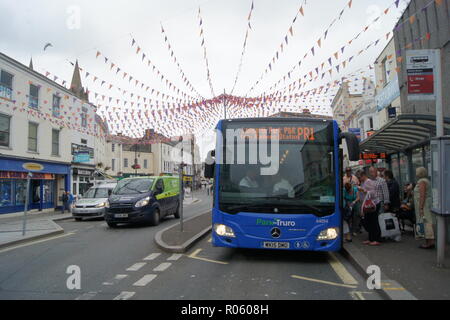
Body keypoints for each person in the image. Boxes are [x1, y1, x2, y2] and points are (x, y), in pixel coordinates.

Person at [358, 169, 382, 246]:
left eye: (360, 177)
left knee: (374, 221)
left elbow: (373, 193)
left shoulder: (368, 181)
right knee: (369, 221)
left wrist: (363, 190)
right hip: (368, 205)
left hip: (373, 204)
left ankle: (377, 239)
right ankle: (371, 238)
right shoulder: (363, 182)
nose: (359, 178)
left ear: (363, 175)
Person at [414, 167, 435, 249]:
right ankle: (430, 241)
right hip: (426, 204)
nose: (416, 173)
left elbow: (422, 195)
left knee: (426, 223)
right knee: (427, 222)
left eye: (416, 171)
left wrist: (421, 207)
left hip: (424, 205)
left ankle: (429, 243)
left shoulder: (422, 181)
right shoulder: (425, 181)